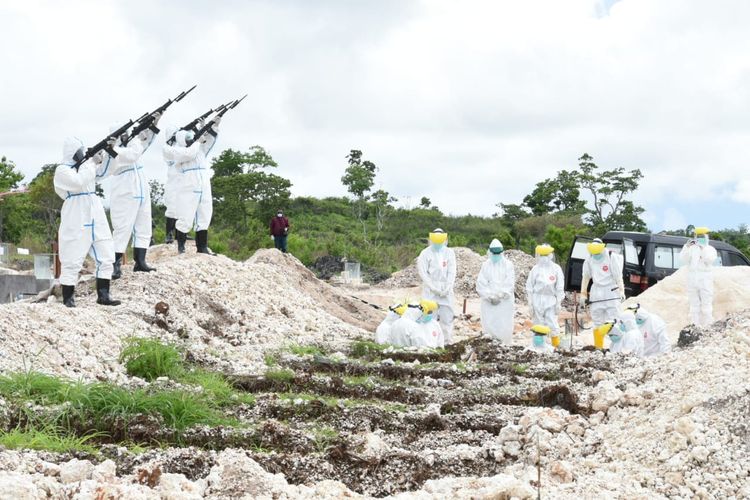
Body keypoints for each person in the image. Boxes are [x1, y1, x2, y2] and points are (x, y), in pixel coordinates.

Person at [54, 137, 121, 307]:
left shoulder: (86, 166)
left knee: (106, 252)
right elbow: (77, 182)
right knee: (72, 256)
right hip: (76, 211)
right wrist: (92, 163)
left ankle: (103, 295)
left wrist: (111, 152)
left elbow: (106, 171)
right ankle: (68, 298)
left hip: (94, 209)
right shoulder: (62, 170)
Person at [98, 119, 159, 278]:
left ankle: (140, 261)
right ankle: (114, 265)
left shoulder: (130, 146)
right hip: (125, 188)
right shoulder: (113, 151)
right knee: (122, 228)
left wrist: (153, 124)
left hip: (140, 186)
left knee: (144, 225)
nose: (126, 136)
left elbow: (145, 144)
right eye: (123, 134)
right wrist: (138, 138)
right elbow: (133, 154)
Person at [168, 121, 220, 254]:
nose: (190, 140)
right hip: (188, 183)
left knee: (205, 213)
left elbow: (209, 142)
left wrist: (214, 126)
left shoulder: (199, 149)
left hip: (203, 182)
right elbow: (189, 154)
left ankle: (202, 247)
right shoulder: (178, 151)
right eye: (188, 138)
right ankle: (181, 245)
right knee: (185, 215)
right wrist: (197, 142)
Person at [417, 228, 457, 343]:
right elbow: (423, 272)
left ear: (445, 240)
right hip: (430, 290)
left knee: (447, 317)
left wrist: (448, 286)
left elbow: (452, 271)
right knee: (429, 316)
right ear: (431, 240)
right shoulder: (425, 253)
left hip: (446, 289)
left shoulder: (449, 253)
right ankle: (430, 341)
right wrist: (432, 287)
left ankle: (447, 341)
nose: (438, 245)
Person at [476, 239, 515, 344]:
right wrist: (489, 296)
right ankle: (490, 345)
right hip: (489, 302)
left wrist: (501, 294)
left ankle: (505, 344)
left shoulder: (508, 265)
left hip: (504, 302)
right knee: (489, 323)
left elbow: (510, 283)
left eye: (498, 254)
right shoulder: (486, 265)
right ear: (490, 252)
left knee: (504, 324)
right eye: (494, 254)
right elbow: (481, 283)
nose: (496, 256)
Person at [580, 238, 624, 329]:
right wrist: (583, 294)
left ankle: (612, 341)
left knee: (613, 320)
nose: (595, 255)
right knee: (597, 321)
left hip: (611, 290)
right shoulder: (589, 259)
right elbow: (586, 277)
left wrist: (621, 290)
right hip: (596, 291)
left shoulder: (611, 256)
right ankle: (599, 343)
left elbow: (618, 276)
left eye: (597, 252)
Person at [678, 227, 719, 326]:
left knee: (706, 304)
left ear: (706, 237)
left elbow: (709, 260)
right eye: (698, 236)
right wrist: (686, 247)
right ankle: (694, 325)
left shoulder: (710, 249)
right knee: (693, 304)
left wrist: (702, 249)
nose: (700, 239)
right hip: (692, 278)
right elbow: (683, 259)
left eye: (702, 236)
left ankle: (707, 326)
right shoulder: (691, 249)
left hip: (705, 278)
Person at [526, 243, 564, 345]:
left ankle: (555, 346)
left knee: (552, 323)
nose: (543, 258)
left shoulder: (556, 268)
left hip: (551, 299)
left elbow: (560, 287)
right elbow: (529, 287)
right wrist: (530, 303)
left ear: (551, 255)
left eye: (545, 255)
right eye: (541, 255)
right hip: (537, 299)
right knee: (538, 324)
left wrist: (559, 302)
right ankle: (539, 346)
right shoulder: (535, 269)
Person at [162, 124, 180, 244]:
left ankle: (180, 234)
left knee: (182, 208)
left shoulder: (179, 146)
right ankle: (169, 233)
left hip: (182, 181)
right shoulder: (167, 148)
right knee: (172, 210)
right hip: (173, 182)